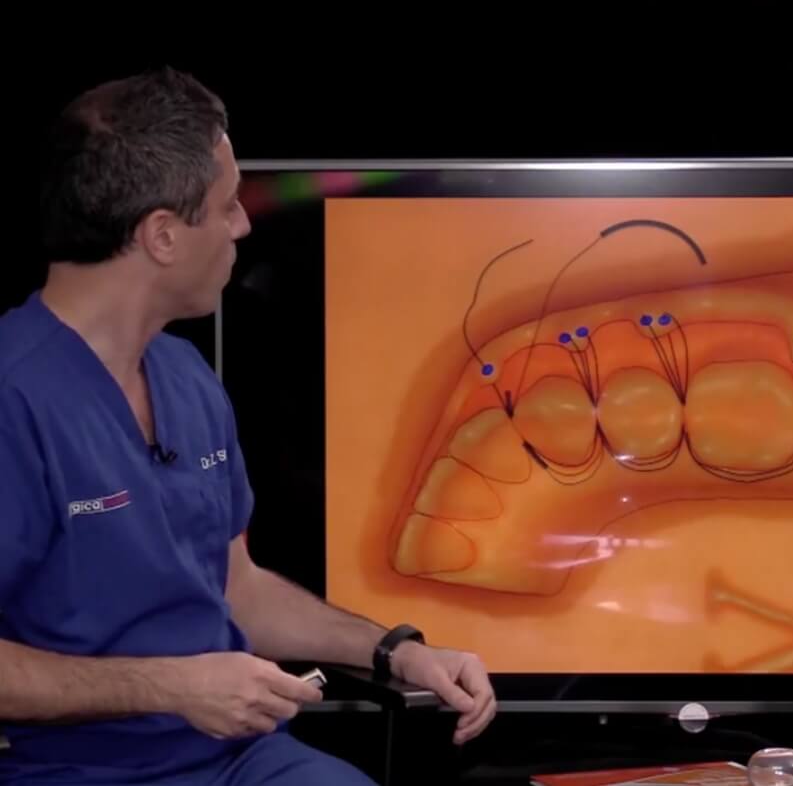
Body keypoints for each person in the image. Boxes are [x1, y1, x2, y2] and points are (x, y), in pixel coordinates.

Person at [0, 66, 496, 784]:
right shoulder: (15, 398)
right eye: (227, 204)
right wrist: (173, 688)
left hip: (239, 760)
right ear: (162, 235)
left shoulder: (185, 375)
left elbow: (238, 588)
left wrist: (399, 651)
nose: (243, 225)